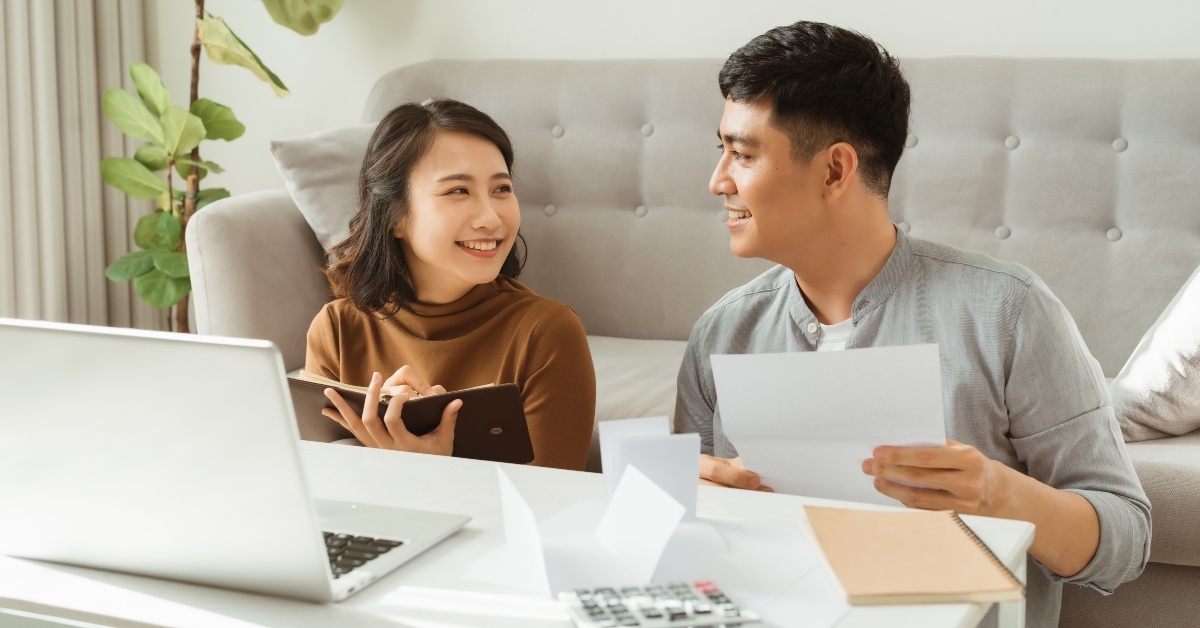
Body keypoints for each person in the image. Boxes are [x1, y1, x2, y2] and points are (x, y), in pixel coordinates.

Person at [673, 21, 1150, 628]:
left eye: (741, 154)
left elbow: (1126, 540)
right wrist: (686, 500)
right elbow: (691, 551)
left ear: (834, 171)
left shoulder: (1008, 311)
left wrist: (1002, 496)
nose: (718, 180)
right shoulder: (722, 334)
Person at [305, 98, 596, 471]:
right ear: (395, 216)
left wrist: (435, 469)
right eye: (458, 191)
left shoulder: (547, 333)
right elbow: (319, 487)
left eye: (501, 189)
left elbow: (554, 508)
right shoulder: (338, 331)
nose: (491, 219)